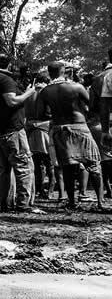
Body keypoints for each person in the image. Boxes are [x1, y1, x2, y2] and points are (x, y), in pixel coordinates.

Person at [36, 61, 104, 210]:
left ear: (50, 73)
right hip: (80, 127)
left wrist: (56, 112)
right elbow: (92, 106)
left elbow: (41, 113)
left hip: (60, 129)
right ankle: (100, 202)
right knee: (93, 164)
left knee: (67, 167)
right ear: (63, 71)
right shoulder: (76, 87)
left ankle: (72, 202)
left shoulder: (45, 91)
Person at [0, 54, 35, 212]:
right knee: (23, 167)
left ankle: (5, 204)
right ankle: (23, 205)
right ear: (9, 64)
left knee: (4, 169)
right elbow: (11, 101)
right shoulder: (5, 80)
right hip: (12, 130)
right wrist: (28, 93)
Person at [24, 73, 61, 200]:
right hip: (45, 129)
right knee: (50, 162)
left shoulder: (28, 93)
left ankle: (39, 190)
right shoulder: (46, 92)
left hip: (30, 129)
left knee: (36, 163)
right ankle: (50, 191)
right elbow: (49, 112)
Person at [89, 50, 112, 200]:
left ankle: (108, 187)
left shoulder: (99, 79)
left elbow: (96, 106)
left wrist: (104, 129)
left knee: (105, 158)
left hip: (103, 122)